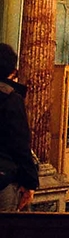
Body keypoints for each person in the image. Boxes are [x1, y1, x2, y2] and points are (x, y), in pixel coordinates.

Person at [0, 43, 37, 212]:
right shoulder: (10, 98)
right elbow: (20, 144)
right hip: (3, 179)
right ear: (12, 71)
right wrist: (30, 182)